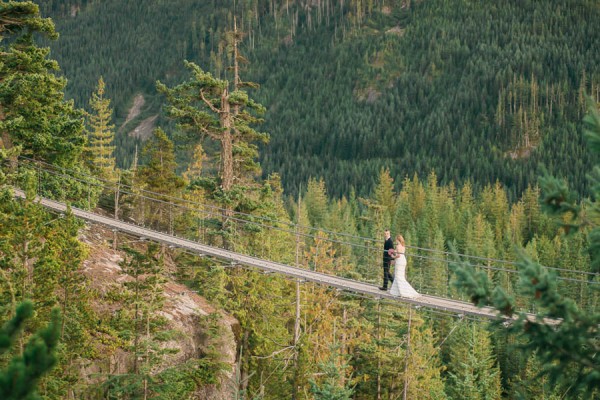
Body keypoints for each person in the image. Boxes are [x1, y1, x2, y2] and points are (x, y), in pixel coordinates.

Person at [389, 234, 420, 298]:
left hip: (399, 260)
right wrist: (394, 251)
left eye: (396, 240)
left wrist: (392, 256)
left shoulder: (398, 246)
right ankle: (398, 291)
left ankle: (401, 292)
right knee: (401, 276)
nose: (396, 241)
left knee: (398, 276)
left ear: (398, 240)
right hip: (403, 260)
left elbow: (398, 255)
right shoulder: (403, 246)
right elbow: (400, 253)